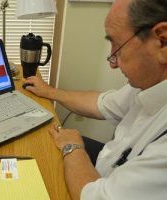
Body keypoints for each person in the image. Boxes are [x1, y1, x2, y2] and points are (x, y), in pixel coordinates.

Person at [23, 0, 167, 199]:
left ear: (162, 40)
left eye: (118, 45)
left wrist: (72, 148)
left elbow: (95, 196)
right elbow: (100, 104)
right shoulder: (150, 83)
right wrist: (49, 92)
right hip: (108, 160)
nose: (112, 63)